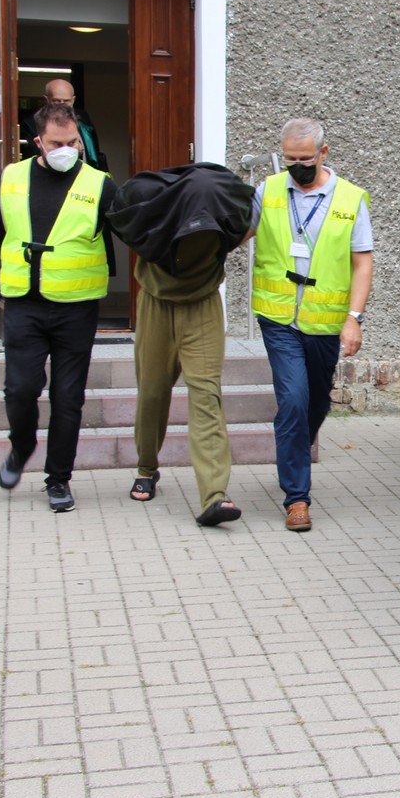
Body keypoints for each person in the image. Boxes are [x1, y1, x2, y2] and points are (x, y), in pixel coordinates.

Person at [0, 102, 117, 512]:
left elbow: (134, 232)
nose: (66, 149)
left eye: (72, 142)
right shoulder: (12, 177)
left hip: (76, 308)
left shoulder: (101, 184)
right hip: (23, 305)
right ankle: (21, 445)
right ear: (38, 143)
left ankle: (58, 480)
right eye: (56, 143)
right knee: (21, 389)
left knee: (68, 398)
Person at [107, 163, 254, 527]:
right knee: (153, 392)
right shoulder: (154, 213)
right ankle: (147, 468)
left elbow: (248, 224)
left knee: (206, 395)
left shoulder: (226, 214)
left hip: (202, 307)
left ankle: (214, 495)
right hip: (155, 305)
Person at [246, 117, 373, 532]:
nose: (296, 166)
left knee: (316, 403)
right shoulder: (268, 191)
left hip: (325, 322)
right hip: (278, 316)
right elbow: (239, 232)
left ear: (323, 153)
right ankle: (297, 498)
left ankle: (295, 442)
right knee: (294, 400)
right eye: (289, 159)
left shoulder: (351, 199)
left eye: (304, 158)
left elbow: (362, 264)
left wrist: (353, 319)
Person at [21, 79, 108, 172]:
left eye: (66, 101)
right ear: (46, 100)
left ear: (73, 100)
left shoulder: (83, 119)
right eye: (57, 101)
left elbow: (94, 152)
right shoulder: (31, 124)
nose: (62, 105)